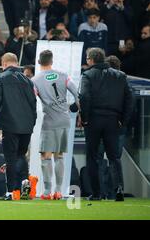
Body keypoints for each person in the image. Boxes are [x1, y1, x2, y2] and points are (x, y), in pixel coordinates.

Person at [79, 47, 133, 201]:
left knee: (93, 157)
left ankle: (96, 193)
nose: (86, 61)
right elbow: (129, 100)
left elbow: (84, 97)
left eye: (87, 58)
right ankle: (119, 190)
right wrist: (123, 120)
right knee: (114, 157)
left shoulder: (87, 75)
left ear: (91, 59)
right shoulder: (120, 75)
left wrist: (85, 118)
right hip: (113, 120)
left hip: (94, 119)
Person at [0, 53, 37, 201]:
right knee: (21, 155)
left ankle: (11, 191)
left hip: (10, 124)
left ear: (4, 63)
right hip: (27, 126)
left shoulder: (1, 78)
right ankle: (24, 186)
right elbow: (33, 103)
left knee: (10, 158)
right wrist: (32, 122)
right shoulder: (28, 81)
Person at [32, 50, 79, 200]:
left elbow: (31, 101)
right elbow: (77, 93)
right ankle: (58, 190)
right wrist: (77, 109)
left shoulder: (35, 80)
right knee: (59, 156)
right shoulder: (64, 75)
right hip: (64, 119)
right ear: (52, 61)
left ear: (39, 62)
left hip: (50, 121)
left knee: (45, 156)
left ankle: (46, 191)